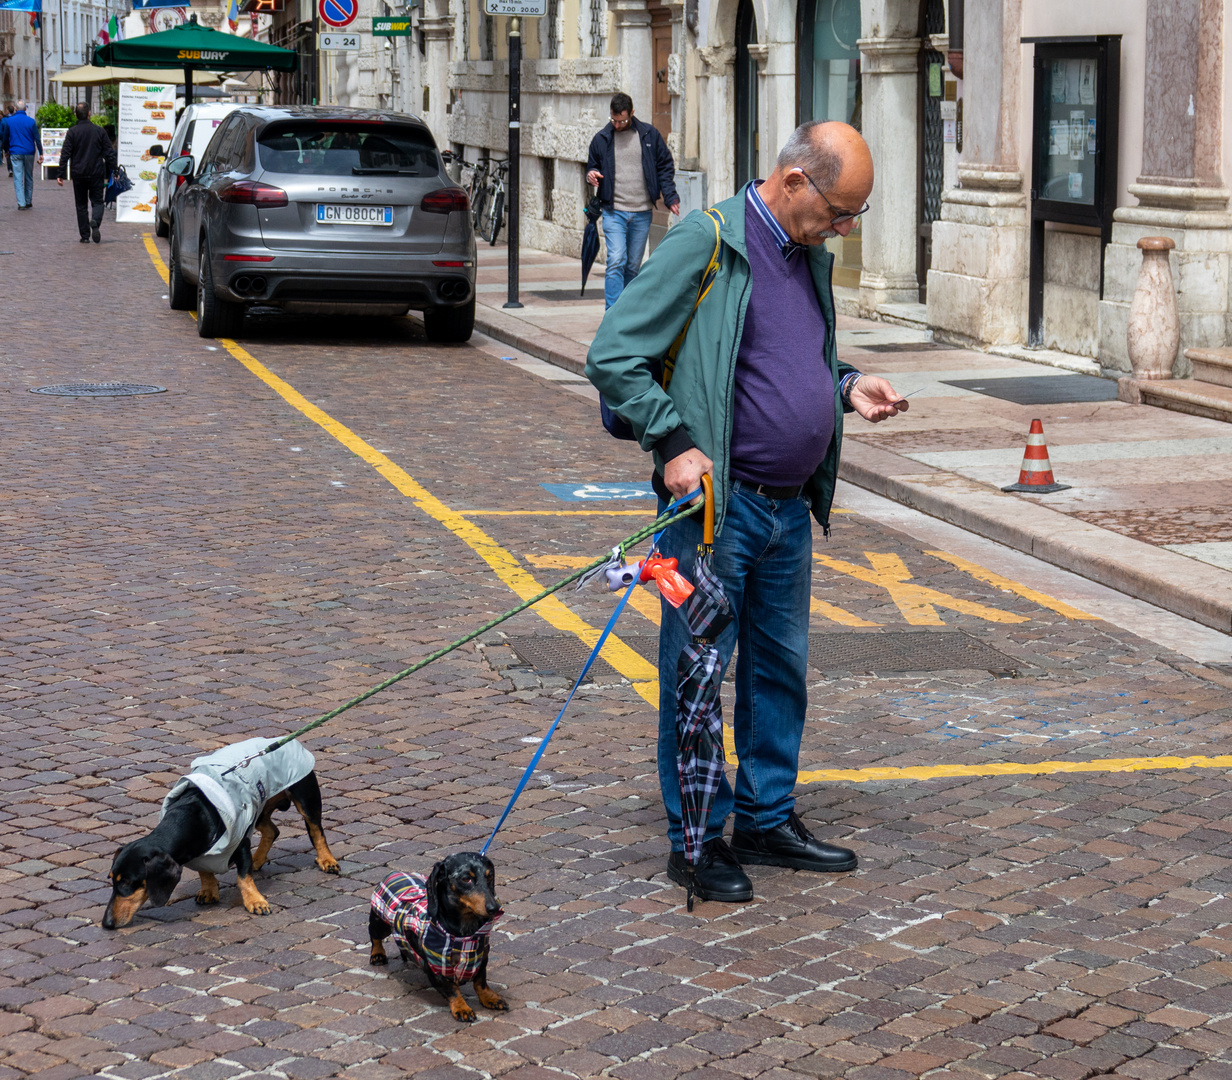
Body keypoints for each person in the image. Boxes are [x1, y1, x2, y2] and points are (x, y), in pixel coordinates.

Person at [586, 121, 908, 905]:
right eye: (840, 210)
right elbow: (612, 354)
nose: (844, 228)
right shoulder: (707, 241)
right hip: (712, 515)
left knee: (778, 675)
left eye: (853, 215)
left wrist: (844, 382)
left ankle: (765, 818)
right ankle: (696, 843)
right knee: (698, 677)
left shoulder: (805, 254)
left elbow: (786, 354)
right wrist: (670, 441)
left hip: (788, 511)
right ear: (794, 180)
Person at [585, 93, 680, 309]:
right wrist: (591, 173)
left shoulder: (648, 135)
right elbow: (592, 166)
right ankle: (612, 314)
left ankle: (626, 311)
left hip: (642, 212)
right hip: (614, 210)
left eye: (622, 121)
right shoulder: (602, 139)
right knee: (616, 259)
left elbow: (665, 165)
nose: (618, 125)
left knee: (633, 266)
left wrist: (670, 196)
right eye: (614, 120)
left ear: (632, 113)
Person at [55, 103, 116, 244]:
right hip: (96, 172)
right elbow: (109, 153)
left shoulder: (72, 132)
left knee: (81, 204)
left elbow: (65, 153)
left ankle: (85, 236)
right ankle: (95, 221)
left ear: (76, 114)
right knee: (98, 201)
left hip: (78, 172)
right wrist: (115, 169)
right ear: (89, 113)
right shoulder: (100, 131)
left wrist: (60, 173)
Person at [4, 102, 43, 210]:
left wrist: (6, 150)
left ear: (15, 108)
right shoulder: (31, 121)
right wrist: (41, 153)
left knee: (17, 177)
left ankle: (21, 203)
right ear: (25, 108)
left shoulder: (9, 121)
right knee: (29, 176)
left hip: (15, 151)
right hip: (29, 152)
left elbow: (5, 137)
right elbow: (37, 139)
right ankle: (28, 200)